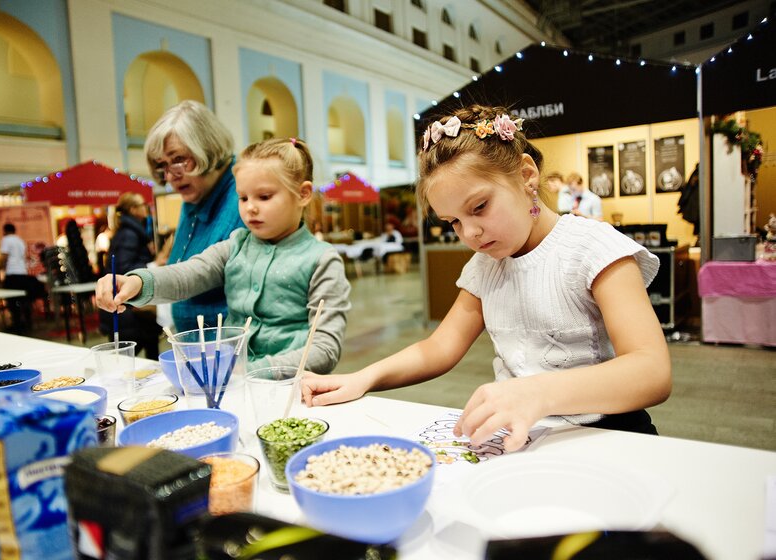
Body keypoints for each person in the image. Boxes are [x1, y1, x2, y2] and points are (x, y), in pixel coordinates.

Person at [301, 105, 671, 451]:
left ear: (527, 176)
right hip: (521, 442)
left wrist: (537, 393)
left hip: (606, 437)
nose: (470, 234)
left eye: (479, 207)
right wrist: (364, 377)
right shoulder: (485, 265)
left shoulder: (591, 247)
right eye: (454, 222)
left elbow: (651, 369)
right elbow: (439, 347)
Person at [96, 137, 351, 373]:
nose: (250, 207)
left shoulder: (322, 260)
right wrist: (138, 282)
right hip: (231, 384)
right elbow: (188, 275)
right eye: (242, 197)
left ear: (303, 194)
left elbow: (324, 350)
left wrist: (250, 372)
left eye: (264, 196)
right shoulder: (236, 245)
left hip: (290, 393)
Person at [145, 100, 244, 331]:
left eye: (179, 159)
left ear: (208, 149)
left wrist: (144, 283)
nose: (170, 176)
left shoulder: (244, 195)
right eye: (163, 165)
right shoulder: (196, 194)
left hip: (233, 352)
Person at [97, 193, 162, 359]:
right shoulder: (130, 234)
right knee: (128, 357)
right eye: (142, 205)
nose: (145, 208)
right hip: (128, 308)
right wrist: (154, 264)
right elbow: (122, 268)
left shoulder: (131, 231)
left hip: (130, 307)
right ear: (133, 209)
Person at [0, 223, 33, 332]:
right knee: (23, 300)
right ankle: (28, 323)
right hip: (22, 272)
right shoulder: (20, 241)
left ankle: (17, 323)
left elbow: (4, 257)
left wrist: (0, 270)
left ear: (5, 230)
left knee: (12, 301)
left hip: (12, 273)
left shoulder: (6, 240)